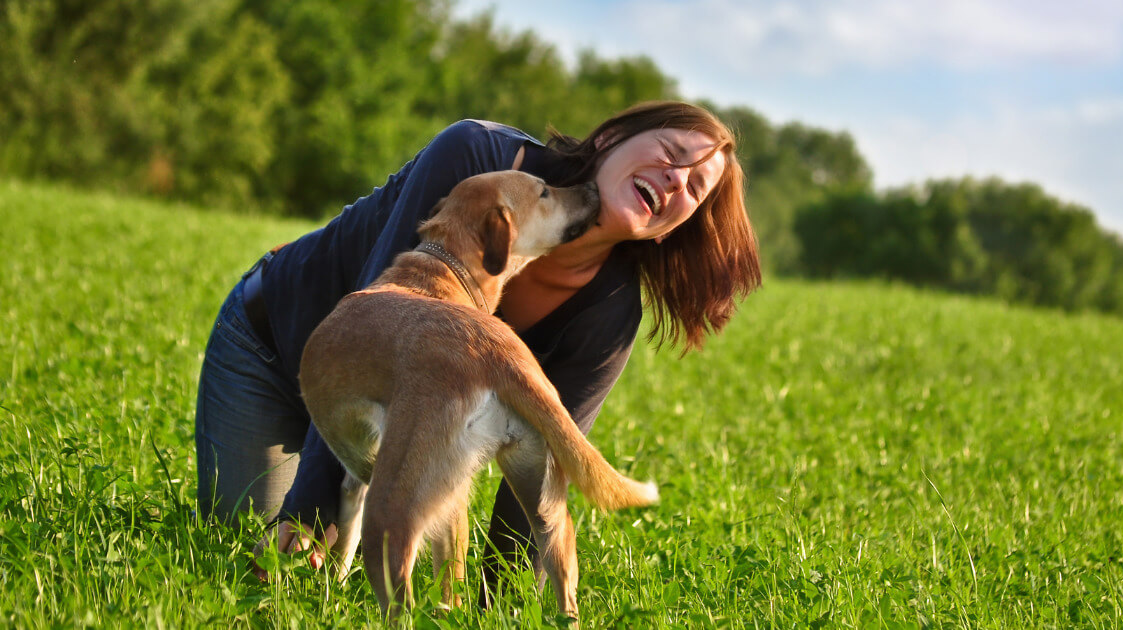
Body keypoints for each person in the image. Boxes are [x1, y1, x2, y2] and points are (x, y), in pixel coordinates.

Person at [193, 100, 761, 598]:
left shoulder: (609, 314)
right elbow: (369, 308)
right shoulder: (477, 156)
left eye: (695, 187)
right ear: (610, 138)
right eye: (671, 153)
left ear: (672, 227)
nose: (675, 181)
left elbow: (538, 472)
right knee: (246, 563)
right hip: (272, 351)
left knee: (370, 577)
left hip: (395, 424)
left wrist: (499, 607)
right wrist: (310, 511)